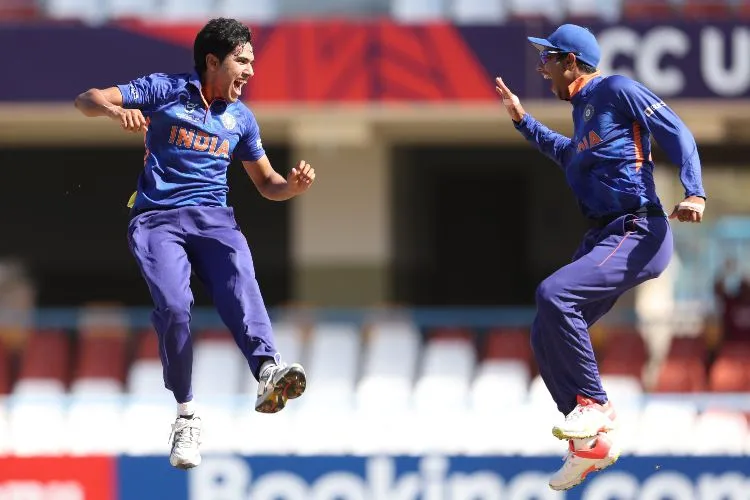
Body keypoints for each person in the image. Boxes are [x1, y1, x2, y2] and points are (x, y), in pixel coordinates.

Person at [74, 18, 315, 470]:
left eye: (252, 62)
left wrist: (293, 188)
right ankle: (186, 416)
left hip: (214, 221)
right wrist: (114, 111)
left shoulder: (241, 119)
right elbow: (86, 98)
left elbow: (267, 183)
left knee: (239, 276)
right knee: (173, 307)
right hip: (156, 220)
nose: (250, 71)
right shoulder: (165, 89)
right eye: (242, 61)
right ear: (212, 61)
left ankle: (267, 370)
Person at [494, 24, 706, 491]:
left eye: (547, 58)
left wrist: (695, 192)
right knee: (545, 329)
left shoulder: (615, 89)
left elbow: (676, 129)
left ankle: (596, 408)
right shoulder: (585, 116)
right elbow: (570, 156)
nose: (541, 67)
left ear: (571, 62)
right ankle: (588, 444)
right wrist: (522, 121)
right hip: (606, 236)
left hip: (640, 229)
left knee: (554, 294)